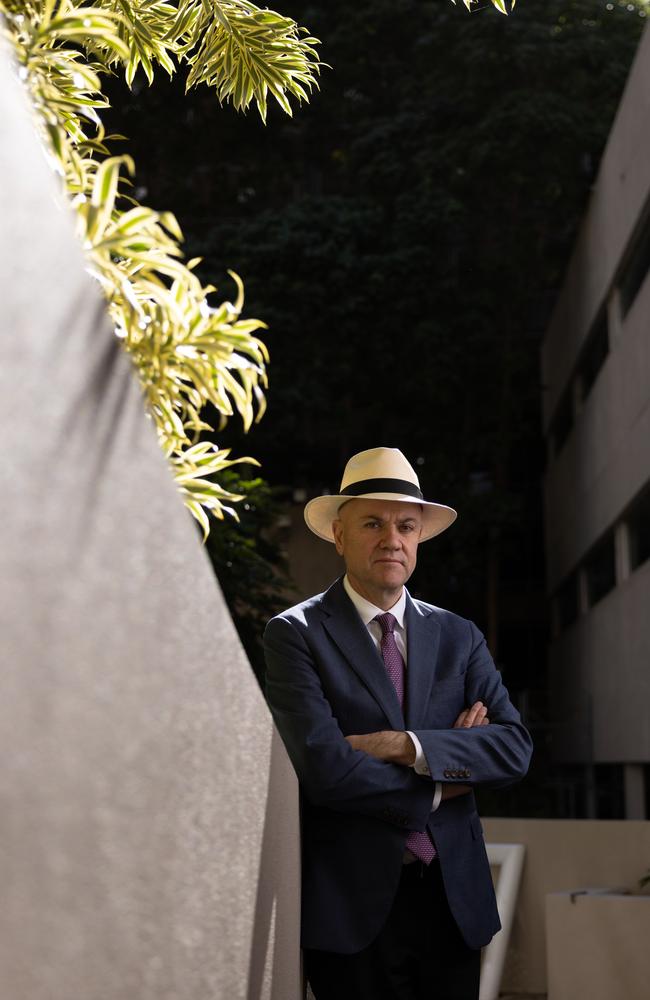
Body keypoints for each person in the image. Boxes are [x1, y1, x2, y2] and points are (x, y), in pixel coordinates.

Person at [263, 447, 532, 1000]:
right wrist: (447, 772)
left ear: (418, 538)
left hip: (453, 903)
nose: (392, 538)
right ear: (338, 535)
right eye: (373, 523)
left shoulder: (460, 636)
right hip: (352, 910)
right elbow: (325, 770)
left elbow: (512, 749)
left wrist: (403, 746)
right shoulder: (296, 635)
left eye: (406, 525)